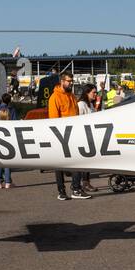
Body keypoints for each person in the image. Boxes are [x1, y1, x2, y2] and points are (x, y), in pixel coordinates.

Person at [48, 72, 89, 200]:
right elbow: (53, 120)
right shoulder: (54, 97)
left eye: (72, 81)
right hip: (61, 136)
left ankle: (76, 189)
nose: (71, 83)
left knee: (78, 161)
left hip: (74, 134)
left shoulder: (71, 96)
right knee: (59, 165)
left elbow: (76, 114)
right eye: (68, 81)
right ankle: (61, 192)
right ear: (62, 81)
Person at [0, 94, 14, 190]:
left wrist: (1, 99)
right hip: (9, 137)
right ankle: (8, 182)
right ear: (9, 101)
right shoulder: (12, 110)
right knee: (7, 163)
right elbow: (15, 121)